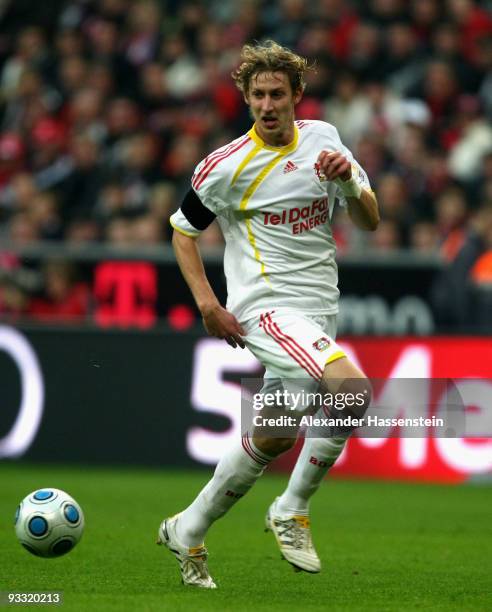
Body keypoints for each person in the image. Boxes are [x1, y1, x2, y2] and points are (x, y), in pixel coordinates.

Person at [160, 40, 379, 589]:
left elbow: (371, 219)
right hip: (267, 308)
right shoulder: (226, 166)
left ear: (297, 96)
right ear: (246, 99)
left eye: (277, 93)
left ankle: (187, 528)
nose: (267, 104)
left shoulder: (325, 139)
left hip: (319, 307)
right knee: (352, 391)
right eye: (257, 94)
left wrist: (349, 177)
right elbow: (183, 232)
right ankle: (292, 508)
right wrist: (209, 304)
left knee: (276, 435)